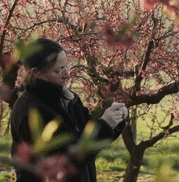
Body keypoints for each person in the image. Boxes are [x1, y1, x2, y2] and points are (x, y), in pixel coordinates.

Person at [10, 37, 128, 182]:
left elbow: (90, 136)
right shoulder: (32, 112)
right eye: (59, 70)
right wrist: (106, 124)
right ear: (35, 73)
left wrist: (113, 122)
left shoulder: (66, 99)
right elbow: (68, 159)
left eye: (66, 66)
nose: (67, 75)